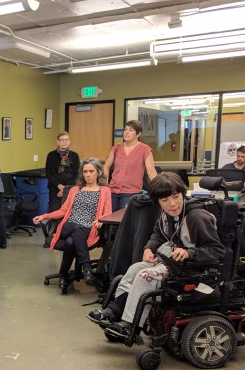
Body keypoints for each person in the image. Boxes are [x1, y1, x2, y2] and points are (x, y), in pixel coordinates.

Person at [88, 172, 225, 340]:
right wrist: (149, 248)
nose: (172, 204)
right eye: (165, 200)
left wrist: (189, 253)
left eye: (175, 197)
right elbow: (158, 235)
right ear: (158, 202)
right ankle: (115, 312)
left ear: (182, 193)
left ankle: (131, 325)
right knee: (135, 268)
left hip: (192, 269)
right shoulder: (165, 214)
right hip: (172, 263)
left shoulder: (196, 217)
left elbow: (217, 250)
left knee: (145, 275)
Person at [33, 158, 111, 293]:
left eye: (91, 171)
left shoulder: (104, 191)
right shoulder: (75, 190)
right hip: (68, 226)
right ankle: (87, 269)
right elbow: (63, 211)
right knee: (76, 228)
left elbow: (107, 212)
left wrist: (101, 220)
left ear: (98, 172)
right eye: (85, 171)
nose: (88, 174)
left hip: (88, 229)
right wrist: (45, 216)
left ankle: (64, 275)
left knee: (70, 242)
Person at [103, 120, 158, 212]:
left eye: (131, 130)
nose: (126, 132)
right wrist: (105, 185)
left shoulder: (145, 149)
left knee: (124, 220)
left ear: (138, 134)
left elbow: (151, 171)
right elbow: (106, 167)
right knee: (110, 220)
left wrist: (159, 188)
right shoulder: (116, 148)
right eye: (125, 129)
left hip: (131, 192)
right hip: (113, 191)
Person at [45, 131, 80, 212]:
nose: (64, 142)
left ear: (69, 141)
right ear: (58, 141)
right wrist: (59, 186)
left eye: (66, 140)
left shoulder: (74, 155)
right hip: (55, 187)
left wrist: (65, 188)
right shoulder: (51, 155)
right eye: (61, 140)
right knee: (54, 211)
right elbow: (49, 173)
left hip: (70, 187)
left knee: (68, 211)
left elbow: (76, 173)